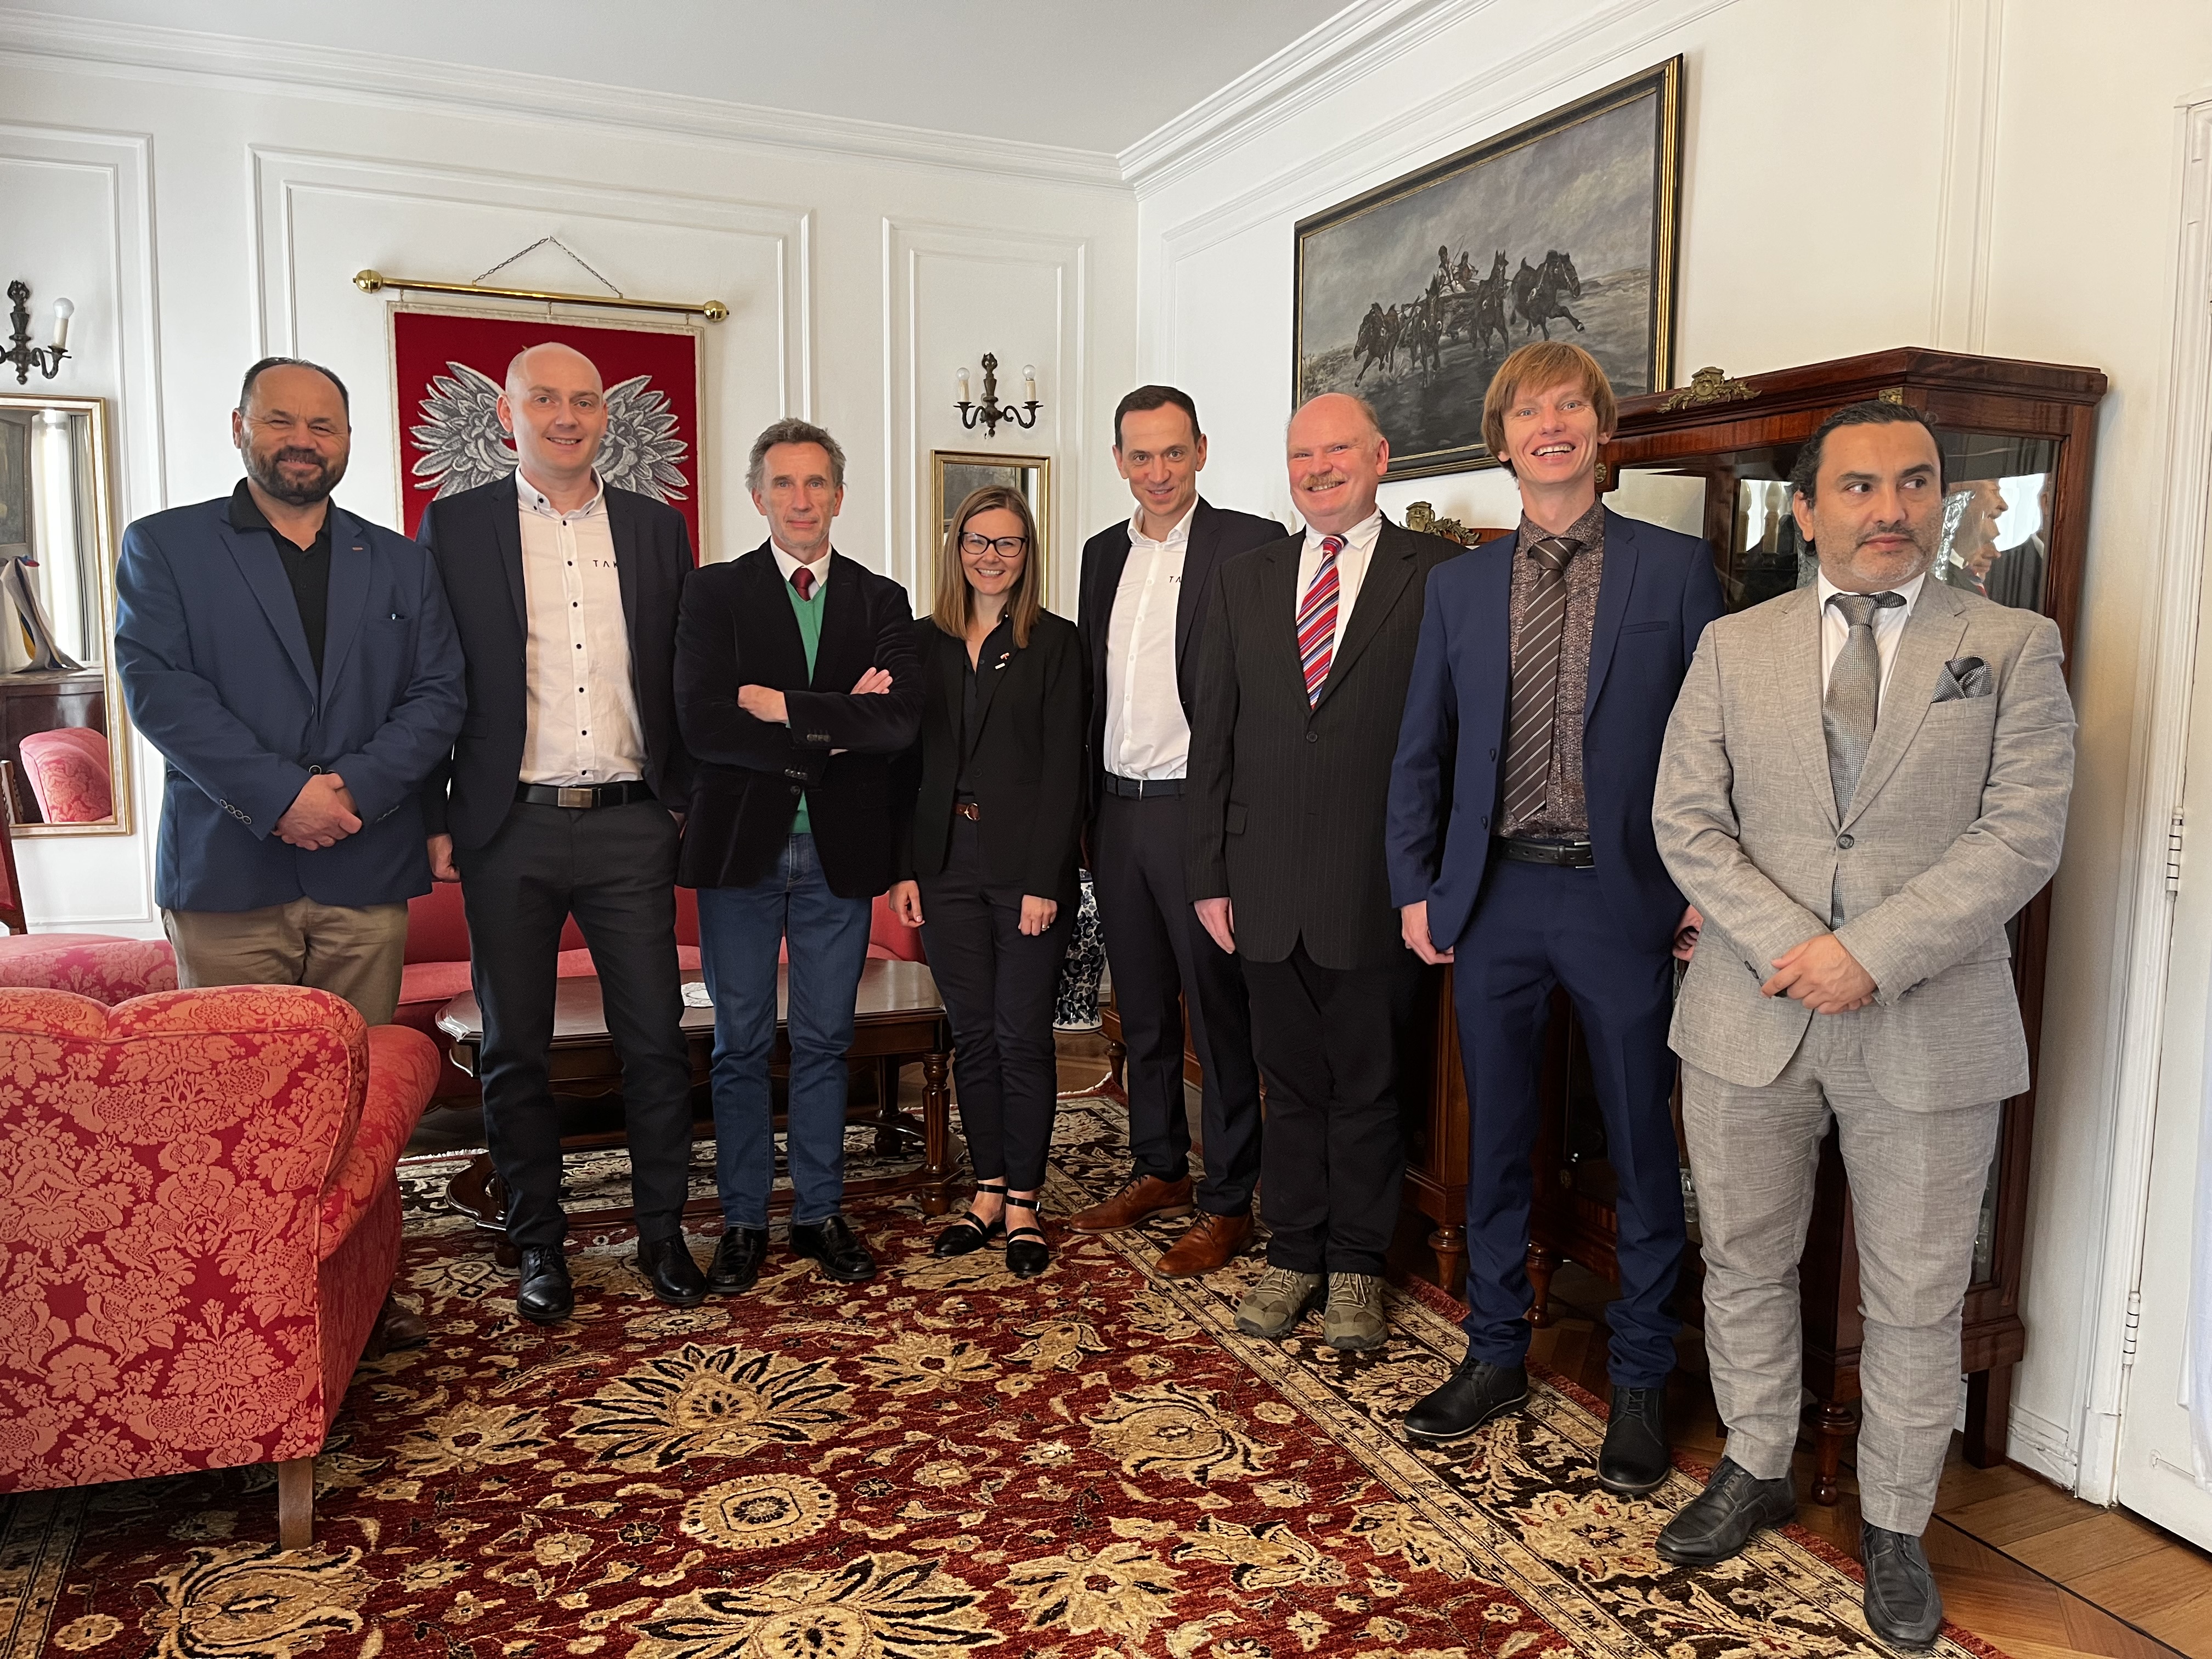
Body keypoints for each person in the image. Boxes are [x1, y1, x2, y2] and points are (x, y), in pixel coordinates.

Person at [1651, 400, 2075, 1647]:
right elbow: (1686, 819)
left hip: (1930, 1020)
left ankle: (1895, 1524)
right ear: (1804, 509)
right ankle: (1756, 1462)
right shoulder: (1733, 645)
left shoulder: (2011, 644)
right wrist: (1800, 948)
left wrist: (1868, 957)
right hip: (1752, 1007)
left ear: (1942, 499)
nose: (1890, 508)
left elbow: (2022, 834)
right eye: (1859, 486)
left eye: (1915, 482)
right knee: (1743, 1258)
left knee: (1916, 1295)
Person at [1387, 341, 1722, 1492]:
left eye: (1569, 405)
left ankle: (1639, 1379)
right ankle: (1493, 1352)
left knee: (1638, 1140)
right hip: (1493, 898)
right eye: (1528, 411)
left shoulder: (1673, 571)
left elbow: (1713, 744)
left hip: (1625, 898)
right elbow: (1422, 751)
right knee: (1495, 1140)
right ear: (1503, 438)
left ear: (1599, 428)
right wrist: (1416, 887)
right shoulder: (1457, 587)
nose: (1550, 425)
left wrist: (1700, 887)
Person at [419, 342, 702, 1325]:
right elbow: (431, 677)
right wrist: (435, 815)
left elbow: (683, 670)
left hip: (631, 824)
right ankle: (538, 1241)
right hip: (509, 826)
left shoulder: (657, 529)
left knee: (655, 1042)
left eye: (585, 400)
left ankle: (662, 1233)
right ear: (509, 413)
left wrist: (685, 798)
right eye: (546, 398)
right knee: (515, 1050)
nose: (567, 416)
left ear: (605, 415)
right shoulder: (456, 526)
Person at [1184, 391, 1463, 1351]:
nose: (1318, 468)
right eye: (1302, 454)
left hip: (1377, 885)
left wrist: (1432, 879)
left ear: (1381, 457)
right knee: (1290, 1084)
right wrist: (1208, 872)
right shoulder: (1245, 578)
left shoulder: (1439, 574)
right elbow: (1214, 735)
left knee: (1369, 1088)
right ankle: (1294, 1251)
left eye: (1337, 450)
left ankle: (1355, 1265)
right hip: (1259, 884)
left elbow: (1456, 736)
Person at [117, 357, 464, 1026]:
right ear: (239, 427)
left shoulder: (404, 562)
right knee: (229, 1081)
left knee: (361, 1076)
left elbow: (438, 695)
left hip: (366, 866)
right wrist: (283, 799)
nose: (303, 439)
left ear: (347, 440)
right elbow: (162, 693)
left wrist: (350, 791)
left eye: (323, 426)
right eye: (280, 420)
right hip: (226, 873)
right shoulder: (164, 546)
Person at [675, 419, 922, 1293]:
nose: (802, 499)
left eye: (817, 482)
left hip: (840, 854)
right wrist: (833, 726)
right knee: (740, 1045)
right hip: (740, 851)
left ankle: (818, 1213)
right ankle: (744, 1219)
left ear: (840, 496)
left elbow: (899, 722)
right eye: (784, 483)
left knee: (825, 1041)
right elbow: (704, 724)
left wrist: (781, 707)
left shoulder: (881, 600)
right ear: (758, 497)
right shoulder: (714, 593)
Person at [1065, 386, 1280, 1276]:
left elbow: (1267, 691)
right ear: (1119, 459)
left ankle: (1228, 1200)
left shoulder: (1251, 543)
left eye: (1173, 452)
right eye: (1141, 455)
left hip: (1202, 813)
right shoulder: (1099, 555)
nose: (1158, 471)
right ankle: (1158, 1167)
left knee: (1217, 1018)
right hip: (1116, 811)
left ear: (1201, 450)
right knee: (1143, 1009)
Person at [889, 486, 1086, 1276]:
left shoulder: (1057, 643)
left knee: (1020, 1034)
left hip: (1024, 867)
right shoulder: (920, 641)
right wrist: (904, 868)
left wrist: (1046, 879)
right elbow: (903, 764)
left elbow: (1065, 770)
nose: (991, 557)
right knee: (972, 1034)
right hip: (943, 863)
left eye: (1008, 543)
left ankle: (1027, 1203)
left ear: (1027, 553)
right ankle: (988, 1191)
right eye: (977, 541)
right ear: (956, 547)